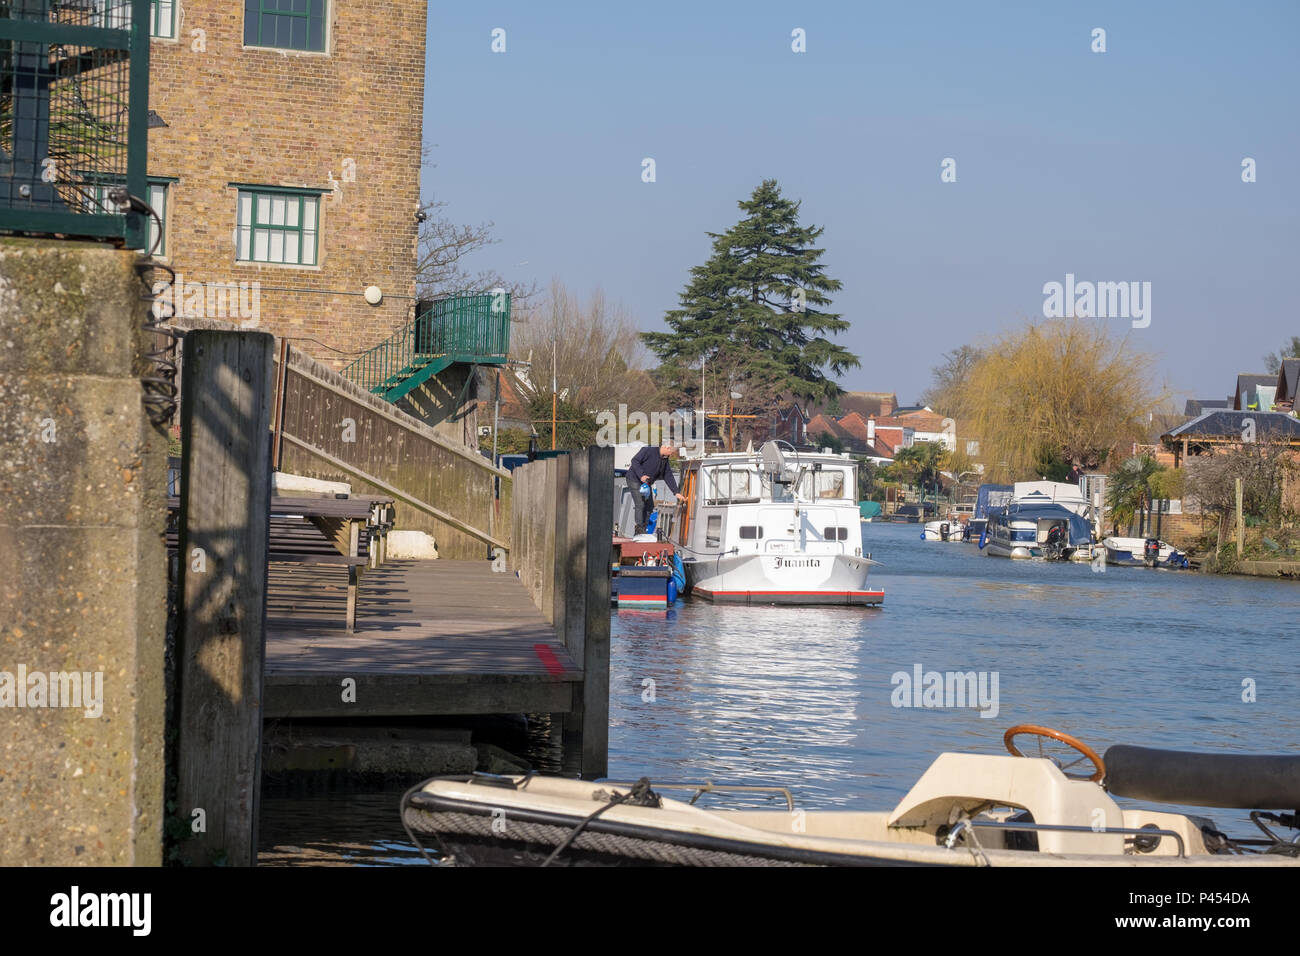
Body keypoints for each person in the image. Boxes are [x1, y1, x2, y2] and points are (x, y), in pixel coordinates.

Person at [627, 441, 687, 535]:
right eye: (671, 452)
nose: (671, 454)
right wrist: (641, 475)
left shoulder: (665, 459)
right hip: (634, 479)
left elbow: (668, 475)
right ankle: (639, 528)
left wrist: (676, 492)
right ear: (667, 448)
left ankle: (644, 528)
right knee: (641, 504)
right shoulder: (649, 449)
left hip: (646, 484)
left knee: (650, 506)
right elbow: (635, 461)